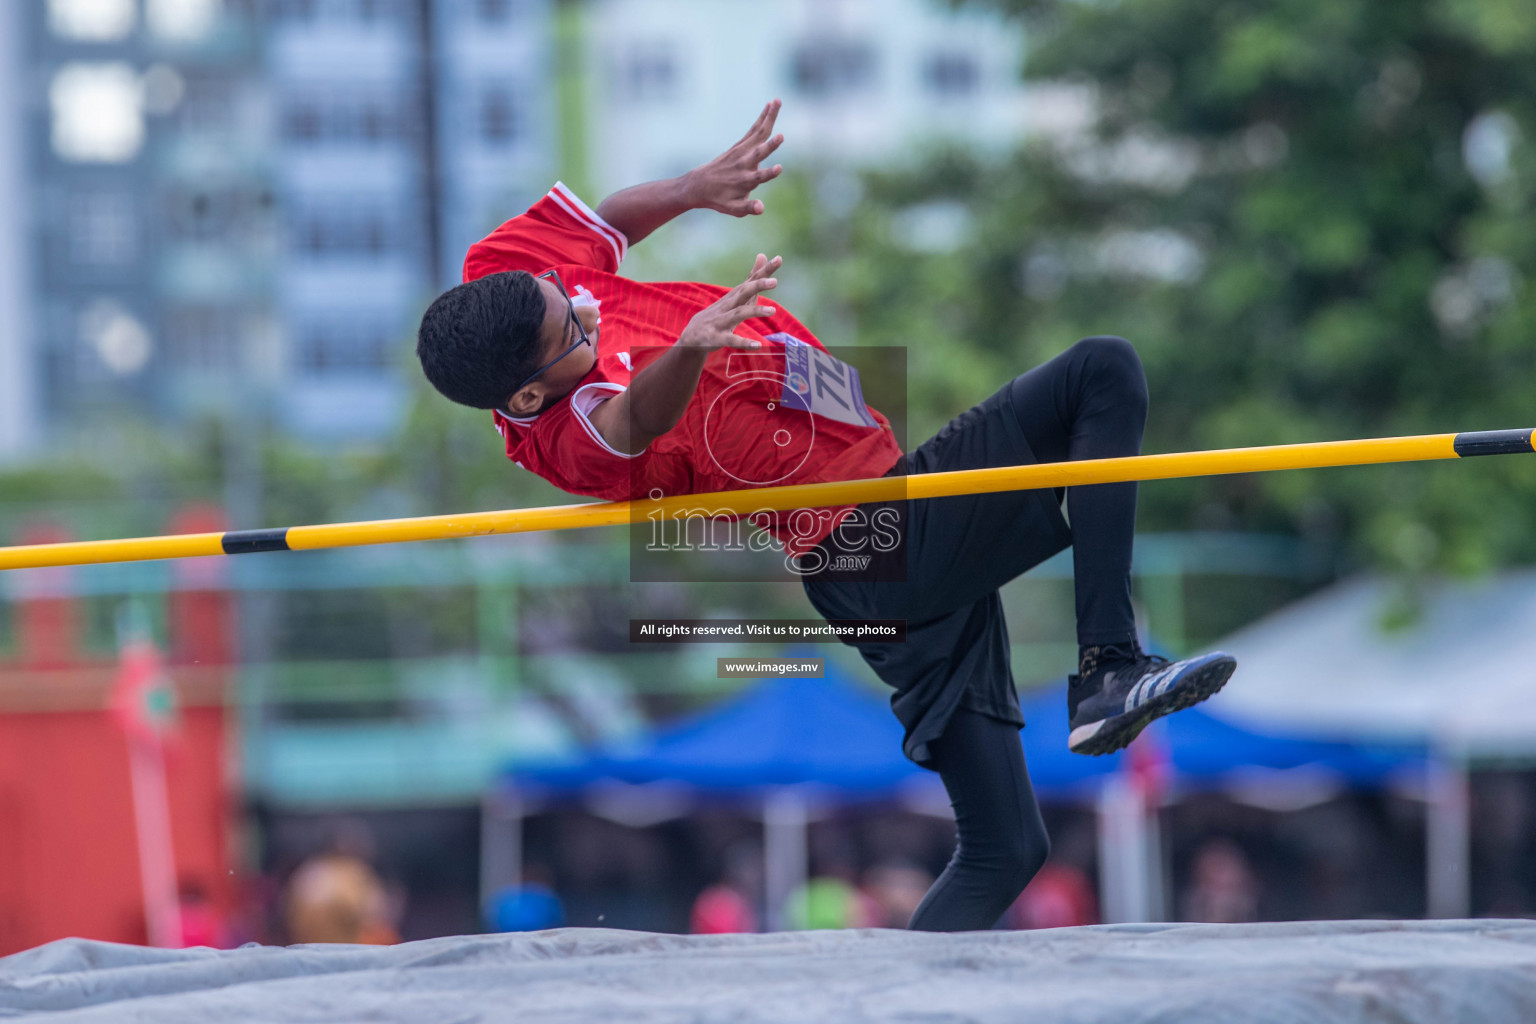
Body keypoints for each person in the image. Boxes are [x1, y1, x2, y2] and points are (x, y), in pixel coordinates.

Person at [415, 99, 1237, 932]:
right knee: (1102, 371)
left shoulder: (506, 276)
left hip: (873, 561)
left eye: (566, 293)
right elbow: (635, 424)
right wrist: (692, 347)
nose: (582, 305)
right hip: (871, 537)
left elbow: (600, 228)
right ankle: (1108, 665)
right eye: (570, 330)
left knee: (1004, 851)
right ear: (527, 391)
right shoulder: (561, 438)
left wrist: (695, 188)